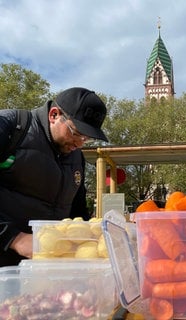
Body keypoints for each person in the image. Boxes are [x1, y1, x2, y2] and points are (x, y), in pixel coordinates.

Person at [0, 87, 108, 266]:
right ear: (54, 115)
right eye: (76, 133)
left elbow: (77, 209)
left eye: (87, 139)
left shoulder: (76, 158)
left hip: (46, 269)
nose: (80, 144)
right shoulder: (11, 127)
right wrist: (15, 239)